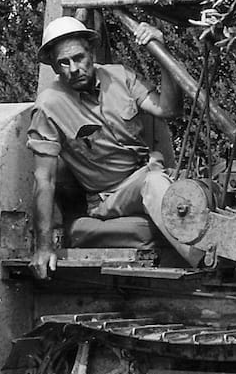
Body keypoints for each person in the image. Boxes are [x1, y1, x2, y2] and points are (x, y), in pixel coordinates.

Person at [27, 15, 197, 278]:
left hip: (150, 173)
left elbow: (168, 108)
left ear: (91, 53)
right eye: (64, 62)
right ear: (54, 65)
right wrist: (43, 247)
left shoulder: (120, 76)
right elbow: (44, 179)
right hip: (109, 197)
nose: (73, 68)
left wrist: (163, 54)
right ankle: (204, 259)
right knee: (153, 184)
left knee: (198, 189)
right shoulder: (49, 105)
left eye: (79, 58)